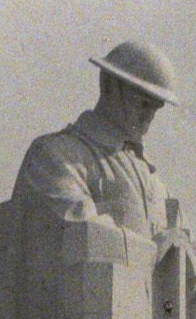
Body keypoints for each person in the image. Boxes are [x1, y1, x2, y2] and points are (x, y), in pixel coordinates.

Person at [13, 40, 184, 239]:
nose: (149, 116)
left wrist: (185, 253)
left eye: (156, 107)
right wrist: (157, 250)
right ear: (108, 85)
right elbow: (82, 232)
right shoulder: (55, 155)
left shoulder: (155, 183)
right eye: (143, 103)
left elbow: (194, 247)